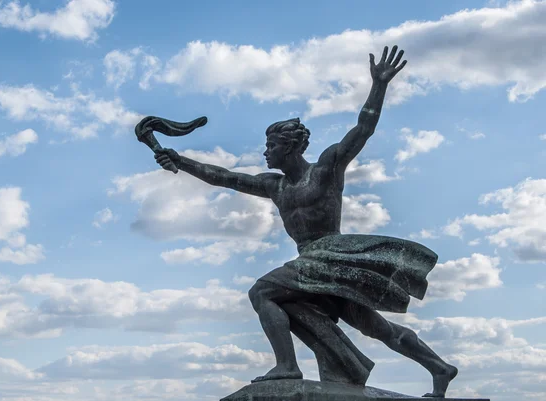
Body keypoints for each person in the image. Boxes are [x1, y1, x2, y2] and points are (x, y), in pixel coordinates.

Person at [150, 46, 457, 398]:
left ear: (290, 147)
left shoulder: (325, 170)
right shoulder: (273, 184)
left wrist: (379, 86)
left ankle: (287, 366)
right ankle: (439, 367)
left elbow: (363, 129)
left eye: (271, 145)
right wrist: (179, 160)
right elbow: (222, 177)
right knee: (377, 327)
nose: (265, 152)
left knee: (262, 291)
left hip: (331, 255)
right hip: (312, 262)